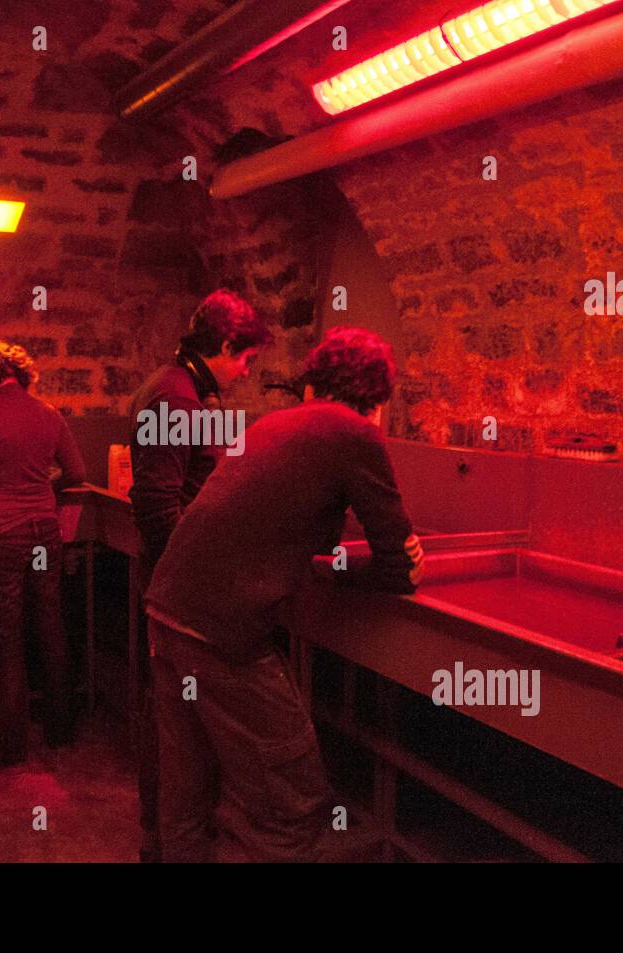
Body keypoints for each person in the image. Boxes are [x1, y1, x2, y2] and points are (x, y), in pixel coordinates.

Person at [144, 327, 425, 862]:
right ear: (378, 397)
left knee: (187, 789)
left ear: (314, 381)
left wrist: (325, 561)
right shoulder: (355, 434)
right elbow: (399, 566)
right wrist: (339, 573)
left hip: (167, 609)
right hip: (223, 635)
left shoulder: (274, 424)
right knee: (292, 802)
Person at [127, 288, 272, 862]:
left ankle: (162, 835)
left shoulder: (173, 387)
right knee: (177, 724)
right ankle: (168, 840)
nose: (244, 372)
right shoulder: (174, 397)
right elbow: (158, 504)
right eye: (245, 359)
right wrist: (189, 583)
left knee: (169, 715)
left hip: (171, 583)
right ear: (227, 343)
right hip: (177, 589)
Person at [0, 342, 86, 767]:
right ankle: (60, 730)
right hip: (44, 533)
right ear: (24, 376)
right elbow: (78, 473)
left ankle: (11, 745)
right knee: (49, 622)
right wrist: (43, 488)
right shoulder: (49, 415)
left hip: (0, 537)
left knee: (6, 637)